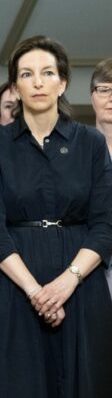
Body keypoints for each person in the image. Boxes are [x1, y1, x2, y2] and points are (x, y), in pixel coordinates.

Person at [0, 36, 112, 397]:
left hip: (81, 285)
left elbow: (105, 224)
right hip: (14, 288)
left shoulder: (91, 144)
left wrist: (67, 282)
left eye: (47, 73)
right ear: (14, 87)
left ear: (62, 82)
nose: (37, 81)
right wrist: (36, 292)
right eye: (27, 74)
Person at [90, 57, 112, 297]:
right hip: (88, 270)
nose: (111, 98)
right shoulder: (75, 152)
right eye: (104, 89)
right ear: (92, 97)